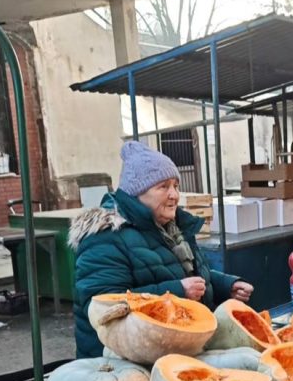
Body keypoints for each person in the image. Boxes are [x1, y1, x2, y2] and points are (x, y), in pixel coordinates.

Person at [70, 141, 253, 357]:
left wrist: (226, 285)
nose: (174, 194)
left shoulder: (171, 228)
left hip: (167, 348)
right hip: (117, 362)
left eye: (176, 185)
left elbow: (189, 275)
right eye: (163, 186)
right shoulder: (105, 237)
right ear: (137, 192)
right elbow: (102, 306)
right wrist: (176, 291)